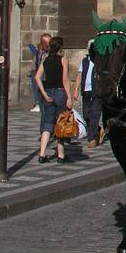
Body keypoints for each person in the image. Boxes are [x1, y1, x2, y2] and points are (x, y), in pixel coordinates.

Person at [35, 35, 72, 163]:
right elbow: (65, 79)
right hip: (60, 92)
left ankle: (42, 154)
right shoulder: (63, 60)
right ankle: (61, 156)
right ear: (60, 47)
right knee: (61, 123)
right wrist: (69, 97)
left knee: (47, 124)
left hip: (49, 93)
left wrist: (44, 93)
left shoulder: (45, 60)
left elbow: (37, 77)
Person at [73, 42, 103, 148]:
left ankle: (92, 138)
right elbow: (80, 75)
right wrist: (76, 89)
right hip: (86, 91)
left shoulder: (100, 62)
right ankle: (97, 130)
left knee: (95, 115)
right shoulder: (85, 61)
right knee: (86, 115)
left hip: (97, 92)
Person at [27, 33, 51, 113]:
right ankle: (38, 103)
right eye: (46, 42)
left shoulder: (52, 52)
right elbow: (35, 61)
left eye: (49, 42)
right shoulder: (39, 52)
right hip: (38, 72)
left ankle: (43, 103)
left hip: (48, 74)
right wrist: (32, 71)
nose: (48, 44)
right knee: (37, 89)